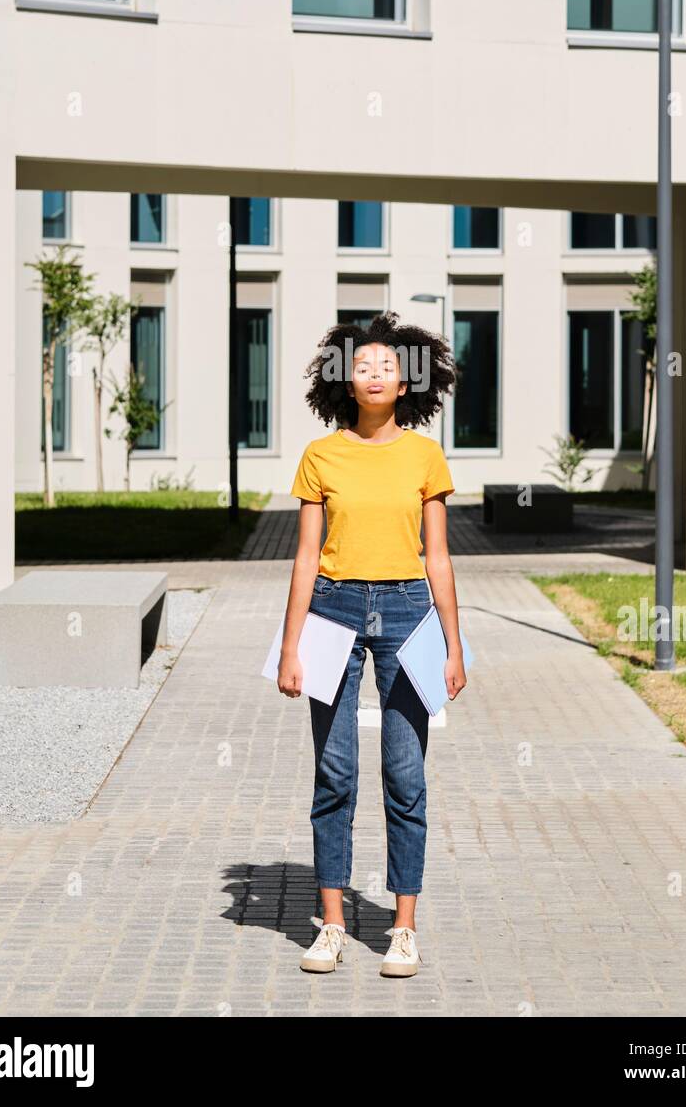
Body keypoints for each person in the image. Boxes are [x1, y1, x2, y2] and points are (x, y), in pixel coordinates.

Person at [278, 311, 467, 978]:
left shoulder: (424, 455)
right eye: (364, 364)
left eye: (388, 364)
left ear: (409, 378)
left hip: (409, 610)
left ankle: (403, 928)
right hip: (332, 608)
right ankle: (332, 924)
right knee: (333, 773)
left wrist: (454, 644)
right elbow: (304, 557)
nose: (377, 372)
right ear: (344, 378)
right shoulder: (320, 456)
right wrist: (290, 645)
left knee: (405, 774)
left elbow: (438, 557)